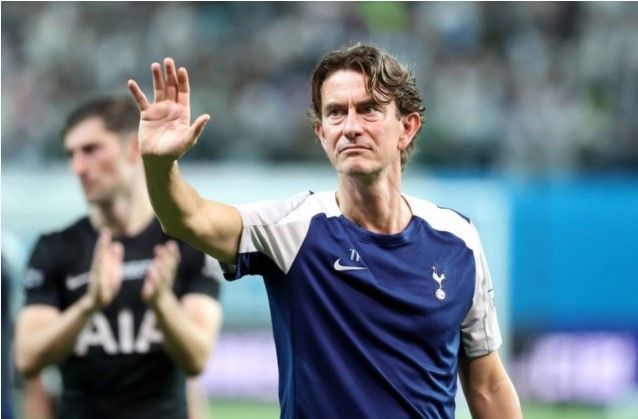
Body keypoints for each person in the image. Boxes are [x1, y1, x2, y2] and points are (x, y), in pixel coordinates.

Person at [127, 43, 522, 418]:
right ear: (321, 134)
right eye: (335, 113)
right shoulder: (292, 231)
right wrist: (159, 165)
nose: (350, 126)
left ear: (407, 127)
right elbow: (187, 218)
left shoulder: (458, 240)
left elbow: (487, 384)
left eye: (368, 109)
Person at [13, 97, 223, 419]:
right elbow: (27, 358)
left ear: (133, 149)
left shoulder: (184, 243)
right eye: (71, 154)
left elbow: (197, 359)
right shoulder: (55, 249)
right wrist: (89, 304)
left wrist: (161, 303)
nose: (78, 167)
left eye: (91, 150)